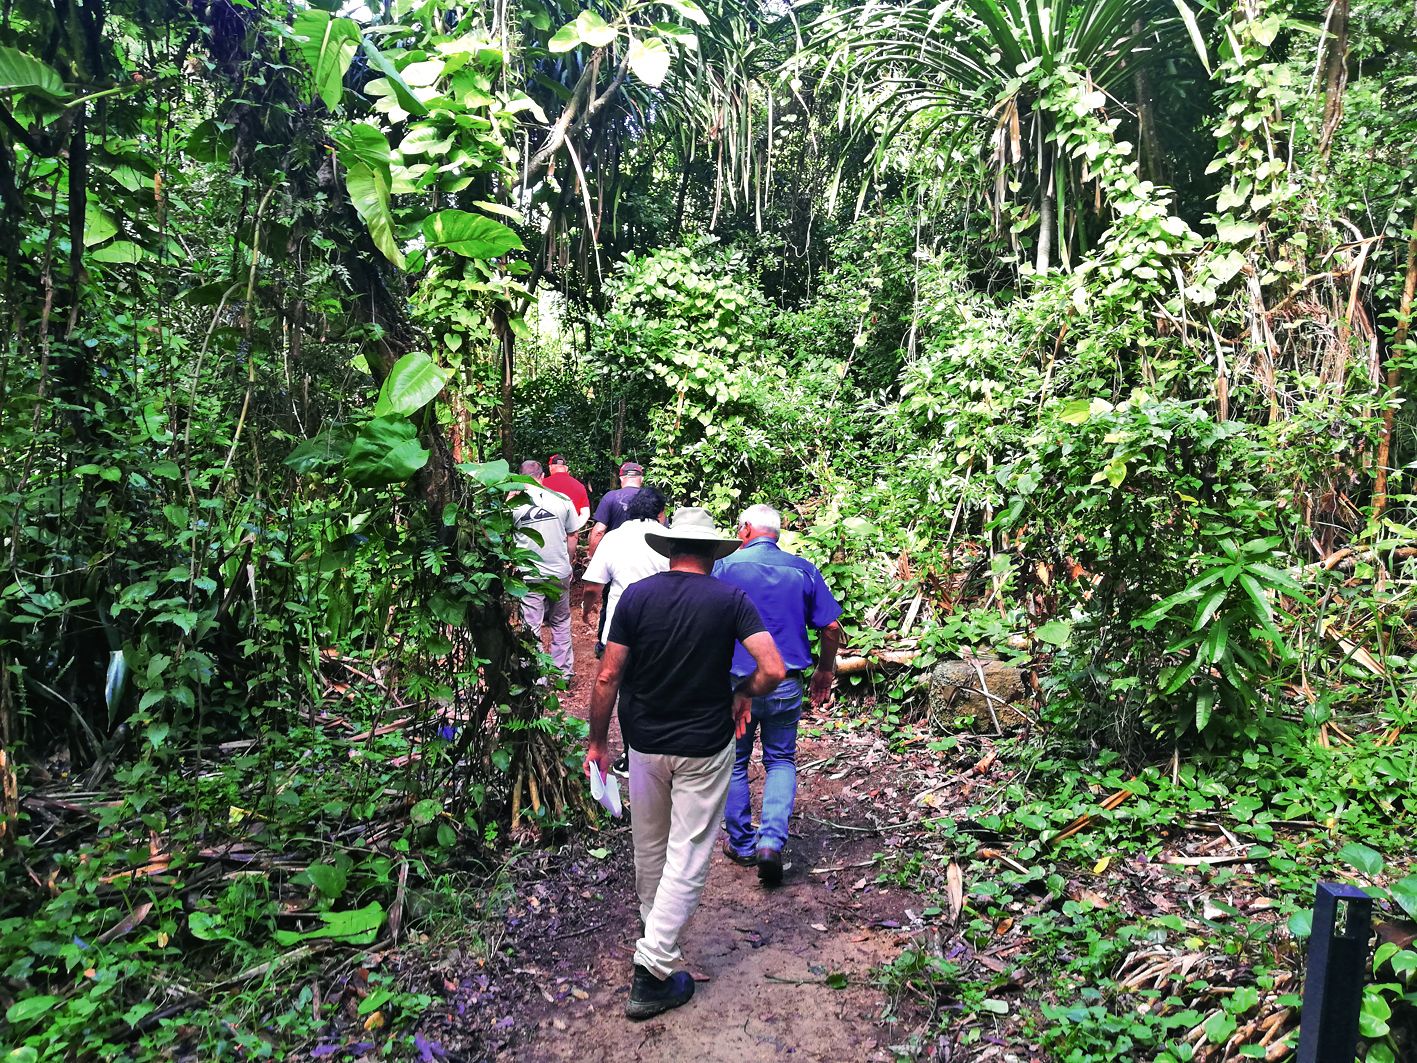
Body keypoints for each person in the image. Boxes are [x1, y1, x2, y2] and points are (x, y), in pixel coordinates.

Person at [584, 508, 785, 1020]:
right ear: (713, 553)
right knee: (689, 851)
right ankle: (652, 966)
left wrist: (598, 742)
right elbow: (774, 668)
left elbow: (607, 677)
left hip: (644, 741)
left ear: (670, 549)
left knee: (649, 846)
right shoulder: (730, 599)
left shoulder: (636, 597)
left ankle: (659, 948)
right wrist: (744, 693)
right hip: (704, 742)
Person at [713, 503, 843, 886]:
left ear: (746, 529)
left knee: (735, 761)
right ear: (778, 533)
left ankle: (742, 843)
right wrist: (825, 669)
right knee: (781, 760)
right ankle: (770, 841)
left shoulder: (725, 568)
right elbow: (831, 627)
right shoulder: (802, 569)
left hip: (737, 685)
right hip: (786, 682)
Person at [581, 487, 670, 775]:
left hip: (622, 629)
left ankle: (633, 756)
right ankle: (661, 752)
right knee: (660, 687)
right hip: (665, 628)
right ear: (660, 513)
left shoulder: (613, 539)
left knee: (626, 691)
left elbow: (593, 586)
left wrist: (586, 609)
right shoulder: (671, 538)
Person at [512, 460, 580, 678]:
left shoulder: (513, 504)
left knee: (531, 624)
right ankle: (563, 673)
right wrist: (568, 563)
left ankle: (536, 677)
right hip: (558, 571)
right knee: (560, 621)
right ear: (542, 477)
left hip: (528, 573)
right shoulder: (562, 500)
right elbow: (573, 535)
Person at [587, 461, 645, 556]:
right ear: (641, 479)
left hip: (616, 554)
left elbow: (599, 531)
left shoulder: (611, 497)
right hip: (644, 556)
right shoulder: (653, 498)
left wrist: (592, 555)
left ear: (621, 478)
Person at [540, 454, 591, 528]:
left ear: (550, 467)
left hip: (547, 531)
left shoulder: (542, 484)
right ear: (566, 468)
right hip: (570, 535)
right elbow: (585, 514)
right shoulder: (579, 486)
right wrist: (573, 529)